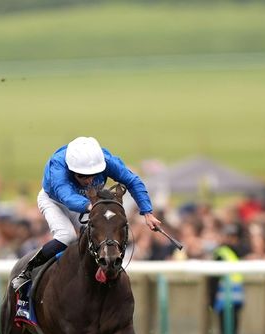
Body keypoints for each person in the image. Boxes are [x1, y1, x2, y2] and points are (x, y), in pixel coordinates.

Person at [10, 136, 162, 320]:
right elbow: (66, 196)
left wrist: (147, 212)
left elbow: (133, 181)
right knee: (67, 237)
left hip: (89, 202)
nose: (89, 180)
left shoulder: (107, 161)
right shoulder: (58, 166)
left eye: (93, 174)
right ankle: (27, 272)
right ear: (71, 169)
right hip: (55, 201)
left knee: (100, 237)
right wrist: (92, 206)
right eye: (82, 176)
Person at [207, 224, 245, 334]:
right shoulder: (227, 252)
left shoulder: (226, 252)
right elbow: (213, 279)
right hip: (228, 301)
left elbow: (213, 280)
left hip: (230, 300)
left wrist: (211, 301)